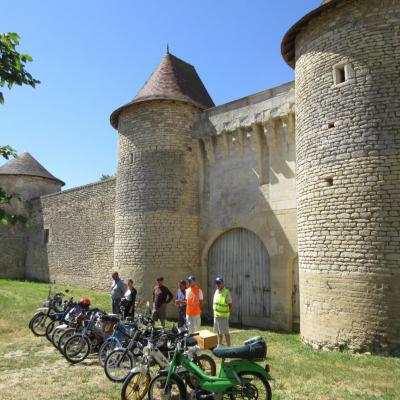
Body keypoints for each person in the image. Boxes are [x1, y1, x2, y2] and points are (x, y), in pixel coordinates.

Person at [213, 276, 232, 347]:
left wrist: (227, 312)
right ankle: (219, 344)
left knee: (226, 333)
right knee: (218, 332)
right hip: (216, 316)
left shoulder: (226, 292)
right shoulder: (216, 291)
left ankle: (229, 346)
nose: (217, 284)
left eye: (219, 283)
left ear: (222, 283)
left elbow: (230, 304)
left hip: (223, 316)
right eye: (216, 283)